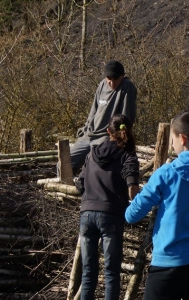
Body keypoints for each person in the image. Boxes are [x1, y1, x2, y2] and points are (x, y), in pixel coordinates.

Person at [125, 110, 189, 300]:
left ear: (182, 139)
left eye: (172, 139)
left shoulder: (166, 173)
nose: (172, 144)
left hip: (168, 265)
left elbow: (132, 214)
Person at [75, 114, 140, 300]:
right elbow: (132, 190)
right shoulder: (128, 155)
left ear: (107, 131)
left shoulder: (92, 153)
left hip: (86, 215)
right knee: (111, 274)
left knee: (88, 273)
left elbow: (80, 184)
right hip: (111, 216)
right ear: (128, 130)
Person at [63, 60, 137, 178]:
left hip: (105, 137)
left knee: (94, 169)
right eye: (109, 78)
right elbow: (94, 109)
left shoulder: (127, 87)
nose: (111, 82)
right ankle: (68, 191)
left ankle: (87, 192)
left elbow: (126, 117)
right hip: (89, 134)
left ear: (122, 76)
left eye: (115, 78)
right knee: (63, 164)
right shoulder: (102, 84)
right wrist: (87, 126)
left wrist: (117, 137)